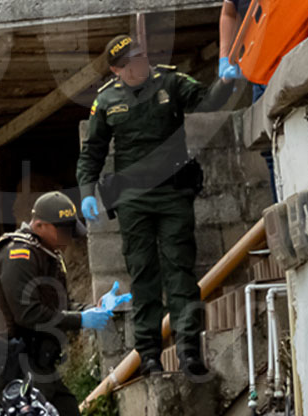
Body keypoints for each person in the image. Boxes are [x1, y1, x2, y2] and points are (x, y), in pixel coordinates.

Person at [75, 35, 234, 377]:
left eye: (141, 56)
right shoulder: (106, 101)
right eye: (131, 61)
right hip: (134, 200)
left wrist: (224, 82)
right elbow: (92, 153)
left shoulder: (170, 81)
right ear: (118, 70)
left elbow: (206, 102)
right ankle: (149, 354)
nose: (140, 63)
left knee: (180, 270)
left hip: (173, 194)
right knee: (143, 275)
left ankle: (190, 349)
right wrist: (87, 191)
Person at [0, 192, 126, 416]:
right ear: (40, 225)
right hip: (12, 362)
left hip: (36, 363)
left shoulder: (47, 254)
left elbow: (59, 305)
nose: (68, 237)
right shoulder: (18, 253)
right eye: (63, 230)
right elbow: (28, 313)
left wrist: (92, 310)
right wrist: (81, 319)